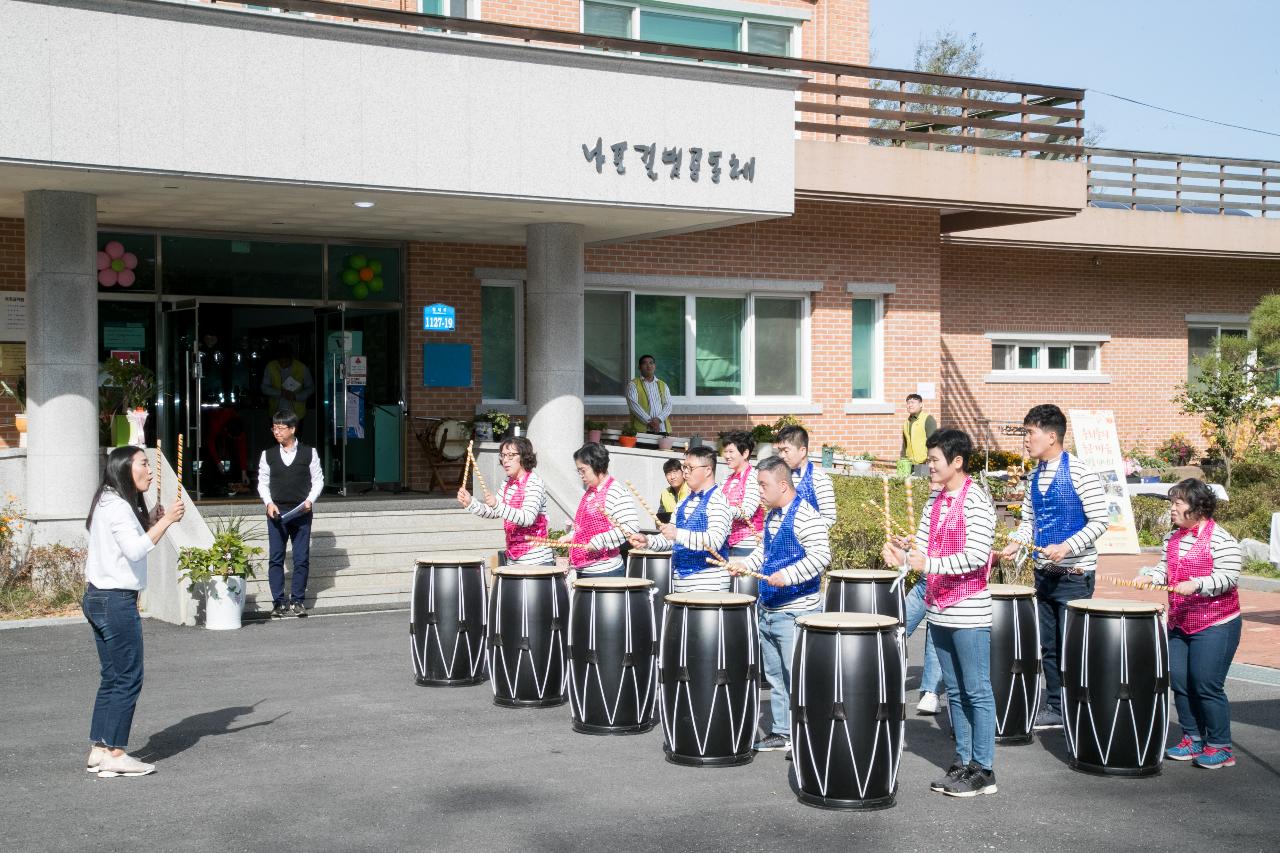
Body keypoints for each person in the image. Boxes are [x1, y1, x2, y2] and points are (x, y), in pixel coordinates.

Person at [882, 429, 998, 798]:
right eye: (928, 460)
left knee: (977, 690)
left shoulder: (976, 500)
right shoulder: (936, 499)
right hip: (940, 608)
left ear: (957, 462)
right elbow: (924, 545)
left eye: (934, 460)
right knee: (957, 695)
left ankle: (984, 769)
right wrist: (904, 553)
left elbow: (978, 555)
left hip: (969, 610)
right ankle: (963, 762)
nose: (928, 466)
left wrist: (927, 559)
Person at [999, 404, 1108, 731]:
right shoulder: (1034, 475)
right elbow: (1029, 522)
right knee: (1049, 647)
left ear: (1051, 436)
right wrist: (1017, 542)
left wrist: (1068, 546)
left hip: (1074, 577)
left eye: (1030, 433)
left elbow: (1101, 521)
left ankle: (1079, 708)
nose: (1026, 441)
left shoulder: (1080, 472)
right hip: (1043, 575)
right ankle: (1057, 707)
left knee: (1072, 648)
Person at [82, 446, 186, 778]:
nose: (150, 470)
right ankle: (115, 752)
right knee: (128, 677)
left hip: (98, 597)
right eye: (144, 464)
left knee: (112, 676)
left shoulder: (107, 500)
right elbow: (136, 549)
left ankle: (100, 748)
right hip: (115, 601)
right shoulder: (117, 507)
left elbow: (125, 543)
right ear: (126, 468)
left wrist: (152, 521)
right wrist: (167, 520)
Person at [1134, 479, 1243, 769]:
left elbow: (1228, 577)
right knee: (1180, 682)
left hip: (1217, 622)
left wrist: (1197, 584)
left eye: (1178, 503)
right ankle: (1193, 738)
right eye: (1172, 503)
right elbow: (1164, 569)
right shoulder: (1172, 538)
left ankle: (1221, 746)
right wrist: (1151, 577)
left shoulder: (1221, 539)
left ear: (1197, 507)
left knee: (1206, 684)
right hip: (1180, 621)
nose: (1172, 509)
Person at [728, 456, 829, 753]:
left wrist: (789, 574)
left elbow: (822, 556)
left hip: (796, 610)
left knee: (796, 675)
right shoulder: (772, 515)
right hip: (769, 609)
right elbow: (765, 550)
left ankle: (805, 736)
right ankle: (783, 731)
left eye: (763, 485)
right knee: (775, 677)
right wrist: (745, 565)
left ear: (782, 485)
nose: (758, 491)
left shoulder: (806, 515)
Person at [628, 446, 731, 592]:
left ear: (708, 470)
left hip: (710, 582)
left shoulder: (718, 500)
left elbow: (715, 541)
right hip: (681, 583)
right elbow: (671, 540)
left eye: (690, 467)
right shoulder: (683, 502)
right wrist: (648, 540)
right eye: (684, 467)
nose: (685, 471)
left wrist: (677, 534)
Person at [258, 411, 324, 617]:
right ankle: (278, 601)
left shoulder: (309, 452)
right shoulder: (267, 454)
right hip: (276, 512)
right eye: (274, 428)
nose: (276, 431)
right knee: (276, 558)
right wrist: (268, 503)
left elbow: (318, 480)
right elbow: (263, 482)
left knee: (301, 558)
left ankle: (297, 600)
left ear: (292, 429)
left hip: (301, 511)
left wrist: (309, 501)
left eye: (281, 428)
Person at [458, 436, 553, 566]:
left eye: (511, 455)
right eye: (503, 456)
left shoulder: (534, 482)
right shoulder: (507, 482)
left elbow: (527, 518)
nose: (505, 461)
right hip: (513, 559)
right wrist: (471, 503)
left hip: (536, 560)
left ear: (524, 457)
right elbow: (493, 511)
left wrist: (498, 505)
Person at [566, 443, 640, 578]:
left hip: (605, 571)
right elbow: (584, 526)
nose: (581, 475)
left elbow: (630, 527)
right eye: (579, 471)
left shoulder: (616, 491)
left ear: (597, 466)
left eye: (583, 470)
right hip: (584, 569)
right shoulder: (590, 492)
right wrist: (571, 536)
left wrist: (599, 541)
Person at [773, 425, 836, 530]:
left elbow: (829, 518)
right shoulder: (779, 475)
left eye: (786, 451)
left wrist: (804, 533)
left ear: (802, 451)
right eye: (780, 450)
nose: (781, 455)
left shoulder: (819, 478)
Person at [904, 577, 945, 715]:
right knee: (895, 631)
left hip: (948, 585)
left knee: (936, 635)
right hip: (925, 583)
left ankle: (931, 693)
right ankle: (877, 678)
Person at [721, 431, 764, 558]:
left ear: (745, 453)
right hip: (727, 543)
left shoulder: (754, 477)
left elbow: (747, 511)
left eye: (731, 451)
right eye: (725, 451)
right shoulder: (726, 480)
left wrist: (720, 509)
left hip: (747, 545)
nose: (727, 456)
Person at [261, 342, 314, 421]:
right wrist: (280, 393)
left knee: (296, 434)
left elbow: (311, 388)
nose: (283, 365)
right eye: (280, 362)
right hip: (276, 413)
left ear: (291, 358)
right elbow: (264, 388)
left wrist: (296, 396)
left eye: (286, 362)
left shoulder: (302, 368)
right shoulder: (271, 367)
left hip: (296, 414)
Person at [624, 354, 672, 434]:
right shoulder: (633, 384)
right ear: (639, 367)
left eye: (651, 363)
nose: (648, 366)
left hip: (662, 428)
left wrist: (658, 419)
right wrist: (650, 422)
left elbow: (668, 405)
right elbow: (634, 406)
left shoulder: (663, 385)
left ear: (654, 366)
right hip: (642, 430)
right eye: (645, 363)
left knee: (664, 447)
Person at [901, 393, 938, 478]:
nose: (910, 405)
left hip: (924, 463)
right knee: (908, 488)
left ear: (921, 404)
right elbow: (905, 444)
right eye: (908, 403)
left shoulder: (928, 419)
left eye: (913, 402)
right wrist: (903, 459)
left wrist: (930, 459)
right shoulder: (906, 422)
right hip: (909, 463)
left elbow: (933, 442)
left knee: (922, 486)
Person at [656, 458, 689, 525]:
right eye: (668, 473)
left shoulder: (692, 489)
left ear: (683, 473)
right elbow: (660, 518)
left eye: (675, 472)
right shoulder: (665, 493)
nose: (672, 477)